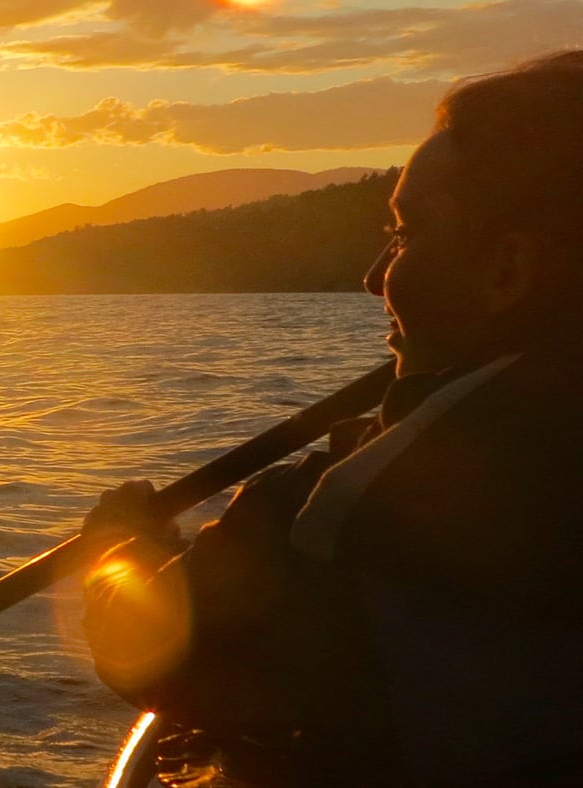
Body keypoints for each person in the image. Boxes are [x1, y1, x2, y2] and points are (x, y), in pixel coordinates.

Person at [79, 50, 583, 785]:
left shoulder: (355, 514)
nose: (375, 276)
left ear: (507, 271)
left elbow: (153, 649)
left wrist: (118, 549)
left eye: (406, 235)